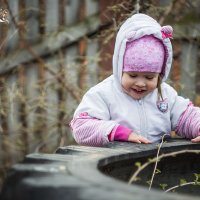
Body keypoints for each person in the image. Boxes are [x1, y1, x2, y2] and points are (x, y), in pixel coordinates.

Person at [70, 13, 200, 146]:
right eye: (132, 75)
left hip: (156, 163)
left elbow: (188, 116)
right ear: (120, 68)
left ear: (159, 75)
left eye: (149, 77)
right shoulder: (103, 94)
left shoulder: (165, 95)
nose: (140, 83)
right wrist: (119, 132)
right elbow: (81, 127)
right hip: (116, 164)